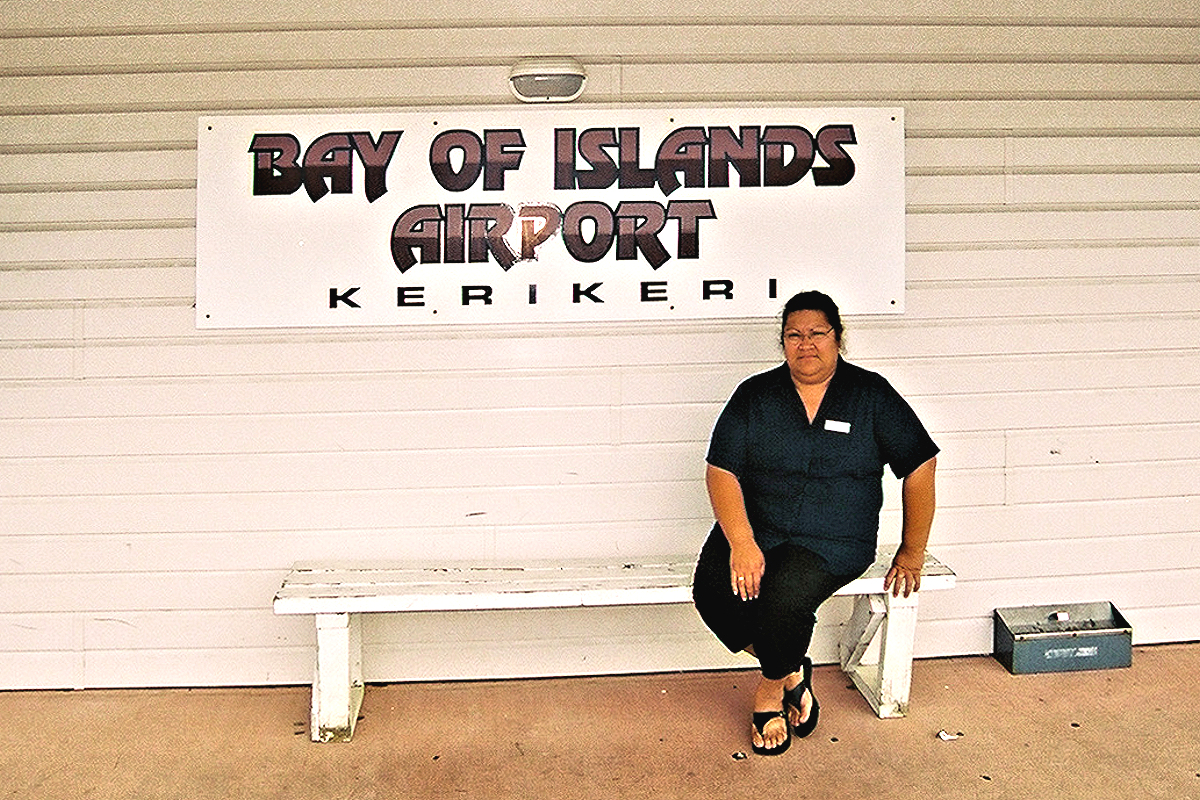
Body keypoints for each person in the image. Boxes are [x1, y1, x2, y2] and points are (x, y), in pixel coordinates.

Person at [692, 290, 938, 756]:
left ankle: (768, 692)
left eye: (817, 333)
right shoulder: (756, 395)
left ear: (838, 338)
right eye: (794, 334)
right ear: (782, 342)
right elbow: (720, 470)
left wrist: (912, 550)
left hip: (834, 537)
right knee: (712, 592)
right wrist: (741, 542)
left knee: (783, 600)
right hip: (759, 528)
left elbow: (920, 464)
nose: (806, 344)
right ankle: (790, 672)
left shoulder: (870, 395)